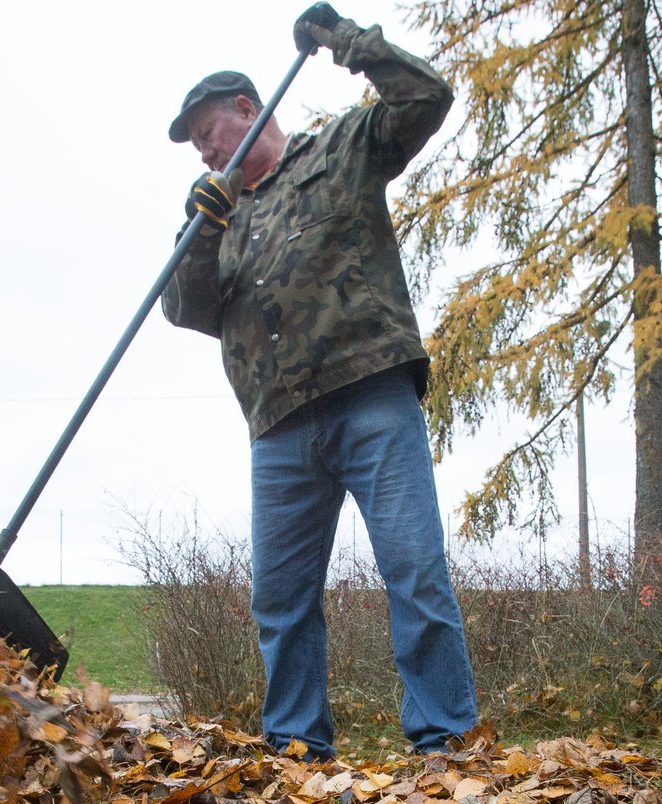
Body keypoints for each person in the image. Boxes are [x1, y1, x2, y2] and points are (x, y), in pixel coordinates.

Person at [161, 3, 478, 762]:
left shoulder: (340, 148)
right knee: (280, 603)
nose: (205, 155)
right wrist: (200, 231)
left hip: (370, 392)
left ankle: (445, 745)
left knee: (414, 572)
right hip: (278, 428)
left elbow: (425, 98)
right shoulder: (220, 217)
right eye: (198, 149)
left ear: (249, 109)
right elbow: (184, 307)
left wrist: (345, 41)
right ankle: (297, 751)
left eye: (210, 136)